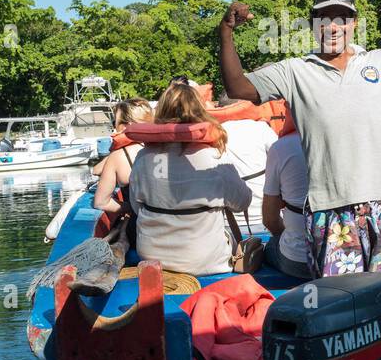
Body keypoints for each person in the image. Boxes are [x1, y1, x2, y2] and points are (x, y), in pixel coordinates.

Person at [219, 0, 381, 276]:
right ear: (312, 24)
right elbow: (238, 87)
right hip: (328, 212)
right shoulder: (295, 71)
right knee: (340, 302)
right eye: (324, 18)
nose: (333, 26)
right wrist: (226, 32)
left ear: (354, 23)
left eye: (341, 18)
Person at [127, 83, 252, 276]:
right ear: (200, 113)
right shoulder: (214, 158)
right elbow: (243, 202)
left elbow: (136, 207)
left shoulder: (143, 157)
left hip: (152, 258)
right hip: (205, 261)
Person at [216, 99, 277, 235]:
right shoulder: (261, 129)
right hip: (265, 218)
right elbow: (281, 162)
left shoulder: (214, 133)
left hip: (227, 225)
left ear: (220, 108)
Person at [261, 129, 312, 279]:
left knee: (270, 247)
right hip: (346, 257)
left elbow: (270, 220)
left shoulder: (281, 147)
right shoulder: (349, 140)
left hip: (299, 260)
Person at [92, 98, 153, 215]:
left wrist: (132, 208)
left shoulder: (119, 156)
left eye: (115, 122)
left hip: (141, 227)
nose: (114, 127)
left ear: (127, 125)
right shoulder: (167, 147)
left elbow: (100, 203)